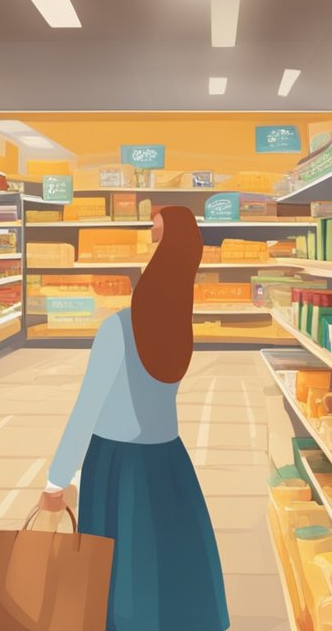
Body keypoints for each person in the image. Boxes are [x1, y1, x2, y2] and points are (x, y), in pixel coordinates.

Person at [39, 206, 229, 631]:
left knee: (118, 565)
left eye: (153, 240)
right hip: (168, 461)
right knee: (164, 557)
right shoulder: (180, 331)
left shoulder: (118, 329)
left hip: (116, 465)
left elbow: (87, 408)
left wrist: (56, 480)